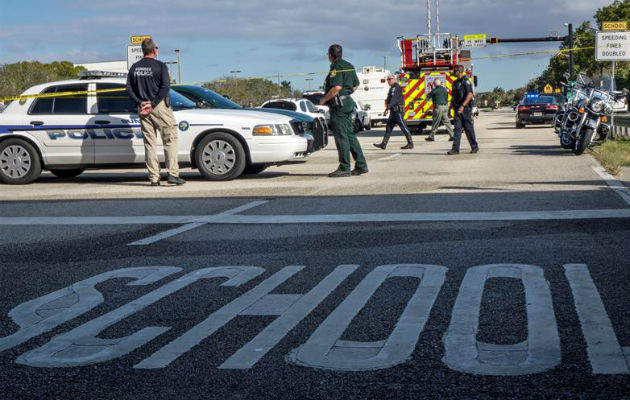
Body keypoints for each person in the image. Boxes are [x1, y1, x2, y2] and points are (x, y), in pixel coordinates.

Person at [126, 38, 185, 186]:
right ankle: (172, 174)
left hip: (143, 107)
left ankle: (154, 178)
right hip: (158, 106)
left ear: (142, 50)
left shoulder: (134, 67)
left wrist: (140, 102)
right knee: (170, 140)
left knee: (149, 144)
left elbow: (128, 88)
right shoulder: (160, 66)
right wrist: (152, 104)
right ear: (154, 50)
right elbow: (165, 87)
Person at [320, 44, 368, 177]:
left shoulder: (336, 67)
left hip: (339, 105)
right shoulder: (349, 65)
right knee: (350, 135)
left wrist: (324, 100)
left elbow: (336, 87)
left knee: (341, 137)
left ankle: (344, 167)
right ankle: (361, 165)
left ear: (330, 55)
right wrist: (347, 94)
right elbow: (356, 84)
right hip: (347, 103)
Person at [373, 74, 413, 150]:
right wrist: (387, 109)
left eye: (390, 79)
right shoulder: (392, 88)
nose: (389, 81)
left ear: (394, 79)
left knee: (403, 127)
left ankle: (410, 143)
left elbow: (394, 99)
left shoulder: (396, 87)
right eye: (388, 79)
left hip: (397, 111)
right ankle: (383, 144)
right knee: (388, 127)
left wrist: (388, 107)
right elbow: (389, 100)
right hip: (393, 112)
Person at [447, 65, 479, 155]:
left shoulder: (466, 82)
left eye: (455, 71)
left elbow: (469, 94)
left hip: (465, 109)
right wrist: (450, 108)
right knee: (457, 129)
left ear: (459, 72)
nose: (453, 72)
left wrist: (463, 106)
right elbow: (453, 97)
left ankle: (474, 147)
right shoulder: (455, 83)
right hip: (457, 109)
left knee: (468, 129)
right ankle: (455, 149)